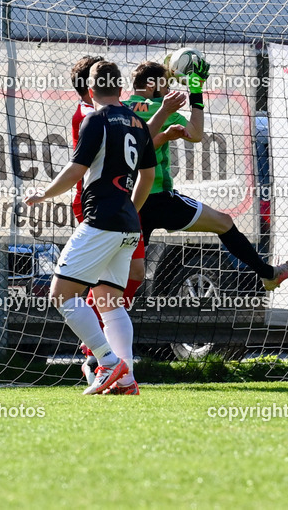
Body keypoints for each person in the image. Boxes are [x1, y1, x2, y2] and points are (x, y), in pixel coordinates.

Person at [27, 60, 156, 395]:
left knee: (61, 295)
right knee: (109, 302)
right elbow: (149, 176)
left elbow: (75, 171)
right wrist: (130, 209)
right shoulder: (138, 123)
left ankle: (108, 362)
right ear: (121, 88)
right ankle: (126, 381)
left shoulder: (95, 119)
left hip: (102, 220)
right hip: (128, 225)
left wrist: (42, 193)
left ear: (90, 88)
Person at [127, 60, 288, 290]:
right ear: (151, 85)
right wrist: (196, 91)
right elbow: (196, 134)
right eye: (166, 84)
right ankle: (268, 275)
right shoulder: (162, 108)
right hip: (157, 197)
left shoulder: (123, 108)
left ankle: (95, 308)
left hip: (128, 199)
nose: (169, 90)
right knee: (224, 223)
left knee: (127, 271)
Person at [68, 55, 188, 385]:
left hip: (120, 207)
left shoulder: (113, 116)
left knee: (132, 275)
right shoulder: (90, 116)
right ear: (89, 90)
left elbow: (137, 143)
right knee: (92, 290)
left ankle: (117, 369)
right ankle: (96, 357)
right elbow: (132, 144)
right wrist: (161, 117)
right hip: (96, 207)